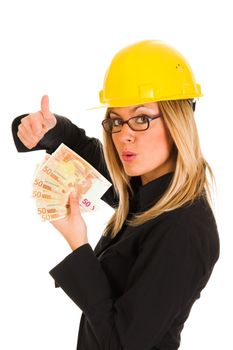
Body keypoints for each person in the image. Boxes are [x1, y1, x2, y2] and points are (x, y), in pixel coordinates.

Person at [11, 40, 220, 350]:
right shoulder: (146, 190)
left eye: (141, 118)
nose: (125, 135)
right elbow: (86, 152)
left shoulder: (183, 229)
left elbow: (121, 344)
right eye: (116, 120)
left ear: (179, 120)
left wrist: (78, 244)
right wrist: (47, 129)